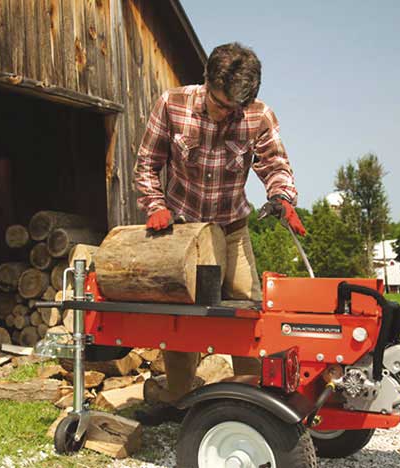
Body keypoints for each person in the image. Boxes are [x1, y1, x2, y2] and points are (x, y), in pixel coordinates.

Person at [133, 42, 305, 425]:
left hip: (231, 228)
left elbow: (275, 163)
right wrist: (155, 206)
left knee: (247, 308)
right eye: (219, 102)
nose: (224, 113)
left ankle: (252, 398)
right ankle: (178, 395)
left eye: (233, 108)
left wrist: (282, 195)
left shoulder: (258, 117)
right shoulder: (172, 103)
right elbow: (147, 164)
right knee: (183, 313)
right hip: (184, 230)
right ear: (207, 80)